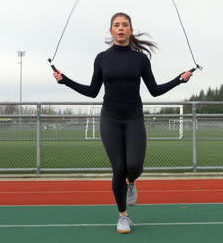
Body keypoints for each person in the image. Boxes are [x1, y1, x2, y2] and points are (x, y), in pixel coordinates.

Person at [53, 12, 193, 234]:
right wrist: (65, 81)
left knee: (134, 166)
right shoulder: (102, 58)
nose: (120, 28)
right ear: (111, 31)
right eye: (116, 25)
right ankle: (123, 216)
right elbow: (92, 92)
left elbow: (155, 91)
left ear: (130, 30)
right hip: (110, 118)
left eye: (124, 25)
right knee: (118, 168)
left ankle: (132, 181)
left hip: (134, 117)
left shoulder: (140, 59)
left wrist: (179, 79)